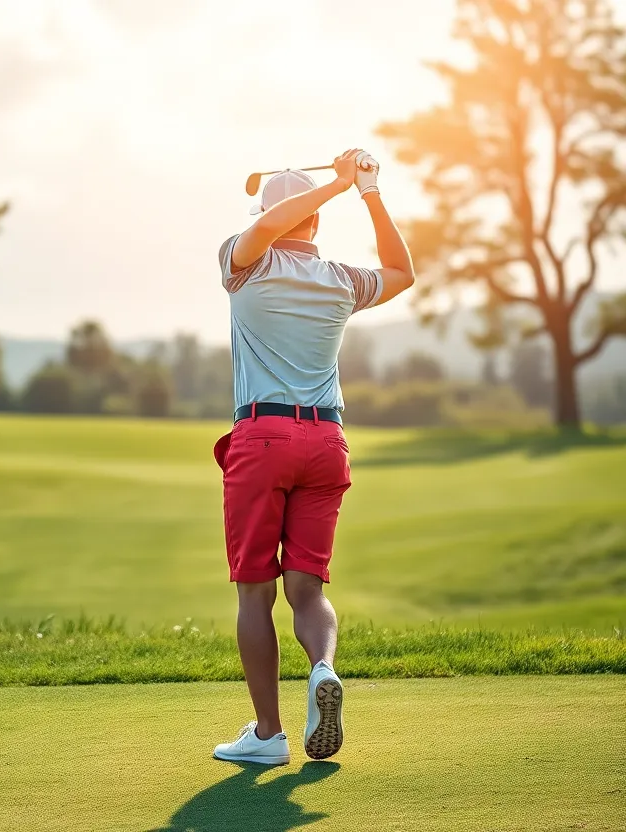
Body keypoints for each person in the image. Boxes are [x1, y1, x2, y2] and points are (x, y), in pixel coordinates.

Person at [210, 149, 416, 765]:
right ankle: (322, 670)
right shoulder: (340, 280)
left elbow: (269, 229)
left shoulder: (241, 264)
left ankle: (269, 736)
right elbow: (401, 273)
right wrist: (366, 193)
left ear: (267, 215)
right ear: (315, 221)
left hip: (262, 439)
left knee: (254, 594)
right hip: (326, 444)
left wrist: (339, 183)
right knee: (308, 587)